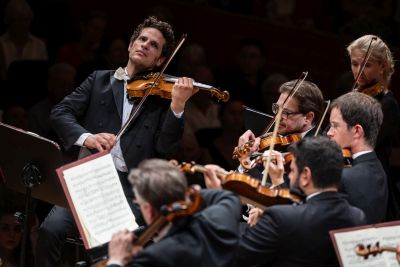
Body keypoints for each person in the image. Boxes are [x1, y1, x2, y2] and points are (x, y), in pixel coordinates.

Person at [35, 16, 197, 267]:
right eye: (142, 39)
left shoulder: (163, 99)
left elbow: (166, 148)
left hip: (129, 190)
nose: (145, 45)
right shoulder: (99, 80)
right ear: (131, 44)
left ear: (161, 60)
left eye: (154, 45)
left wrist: (178, 105)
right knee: (50, 230)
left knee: (110, 252)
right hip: (88, 179)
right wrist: (87, 137)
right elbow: (60, 112)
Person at [205, 136, 366, 266]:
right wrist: (278, 182)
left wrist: (220, 200)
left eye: (293, 170)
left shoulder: (279, 217)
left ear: (306, 176)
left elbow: (234, 257)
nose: (289, 175)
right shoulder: (357, 216)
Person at [105, 158, 242, 267]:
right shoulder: (220, 218)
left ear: (149, 209)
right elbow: (226, 197)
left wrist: (115, 261)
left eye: (139, 204)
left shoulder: (153, 258)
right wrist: (185, 192)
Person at [346, 34, 400, 219]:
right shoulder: (354, 94)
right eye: (354, 64)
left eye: (366, 65)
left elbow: (367, 143)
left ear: (382, 66)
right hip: (348, 169)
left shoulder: (387, 104)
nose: (359, 71)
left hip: (371, 179)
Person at [235, 79, 324, 184]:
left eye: (286, 112)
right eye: (277, 108)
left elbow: (269, 190)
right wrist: (244, 164)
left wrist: (245, 162)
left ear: (308, 118)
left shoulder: (315, 152)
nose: (278, 117)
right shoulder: (277, 139)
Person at [327, 92, 388, 224]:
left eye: (335, 125)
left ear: (357, 131)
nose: (329, 133)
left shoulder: (346, 177)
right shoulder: (378, 168)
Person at [0, 0, 48, 80]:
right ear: (8, 21)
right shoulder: (1, 43)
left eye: (26, 20)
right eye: (17, 21)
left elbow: (43, 74)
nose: (22, 25)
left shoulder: (39, 45)